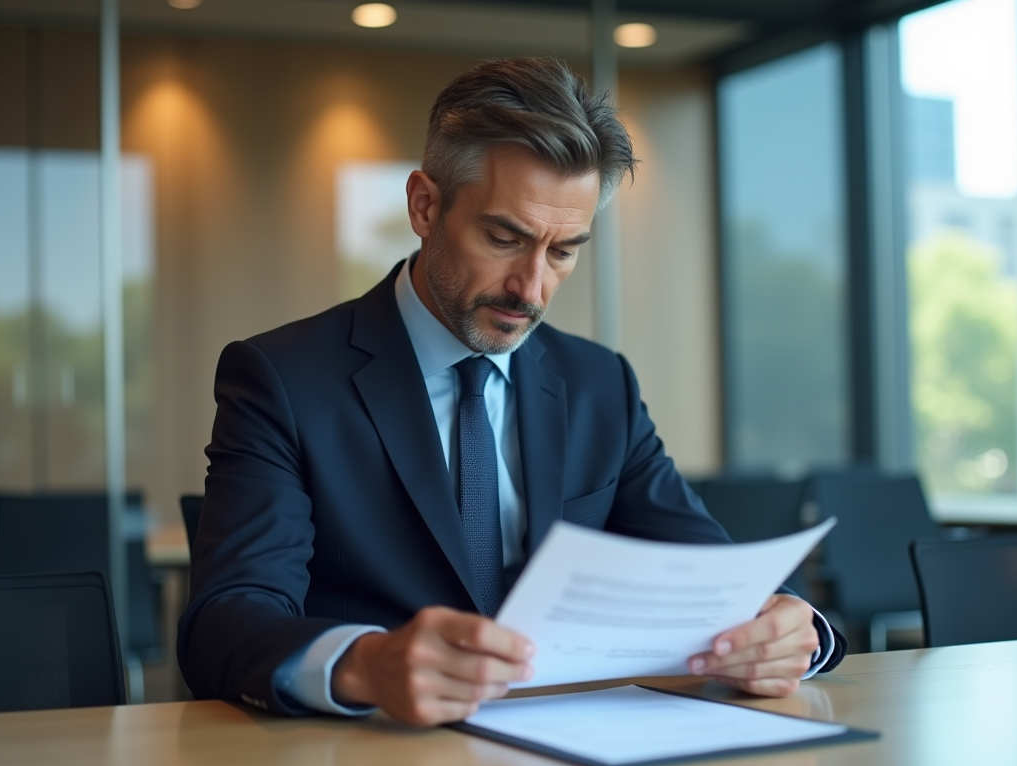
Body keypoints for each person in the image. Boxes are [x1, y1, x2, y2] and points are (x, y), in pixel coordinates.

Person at [178, 57, 846, 727]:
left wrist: (790, 629)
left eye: (563, 252)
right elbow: (225, 622)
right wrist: (365, 664)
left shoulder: (598, 385)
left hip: (572, 752)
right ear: (425, 206)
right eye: (505, 238)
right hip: (373, 758)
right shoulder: (283, 378)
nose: (531, 288)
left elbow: (711, 571)